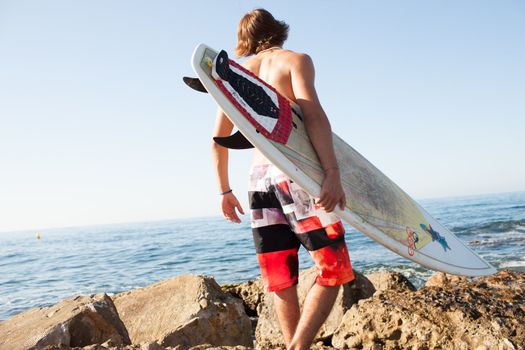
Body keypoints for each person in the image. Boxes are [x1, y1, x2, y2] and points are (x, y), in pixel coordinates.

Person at [211, 9, 355, 350]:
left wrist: (224, 190)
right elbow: (315, 116)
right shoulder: (296, 60)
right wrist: (332, 173)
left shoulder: (233, 76)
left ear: (245, 42)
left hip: (257, 181)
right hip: (296, 174)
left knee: (281, 278)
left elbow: (218, 140)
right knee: (334, 268)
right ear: (279, 32)